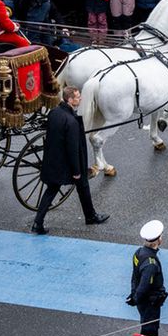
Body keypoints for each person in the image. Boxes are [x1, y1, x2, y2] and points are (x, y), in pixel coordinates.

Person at [32, 85, 109, 234]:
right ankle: (90, 216)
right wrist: (76, 171)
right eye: (78, 97)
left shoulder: (54, 113)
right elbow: (73, 149)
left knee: (54, 190)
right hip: (70, 163)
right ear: (70, 100)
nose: (80, 99)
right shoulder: (71, 122)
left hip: (53, 160)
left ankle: (38, 222)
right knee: (82, 185)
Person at [128, 219, 168, 336]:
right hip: (150, 302)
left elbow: (134, 276)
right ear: (158, 240)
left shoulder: (139, 253)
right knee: (149, 331)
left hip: (142, 300)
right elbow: (145, 285)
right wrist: (137, 297)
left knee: (147, 329)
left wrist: (133, 295)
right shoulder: (151, 263)